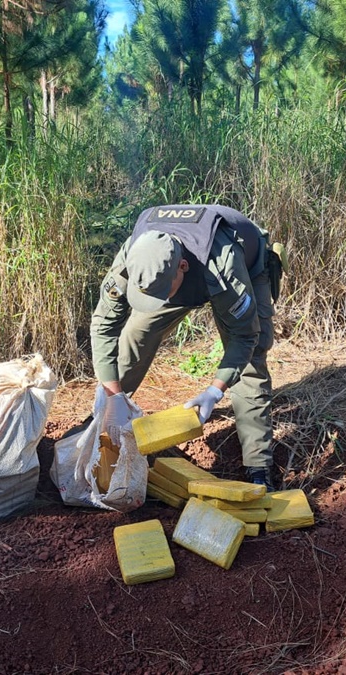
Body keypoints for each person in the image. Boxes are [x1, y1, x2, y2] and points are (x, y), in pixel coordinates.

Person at [90, 204, 281, 490]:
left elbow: (245, 337)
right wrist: (113, 395)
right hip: (173, 277)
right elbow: (103, 325)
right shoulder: (136, 255)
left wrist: (214, 392)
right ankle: (102, 434)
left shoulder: (223, 266)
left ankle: (258, 467)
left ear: (182, 267)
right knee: (134, 337)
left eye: (161, 293)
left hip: (244, 267)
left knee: (250, 363)